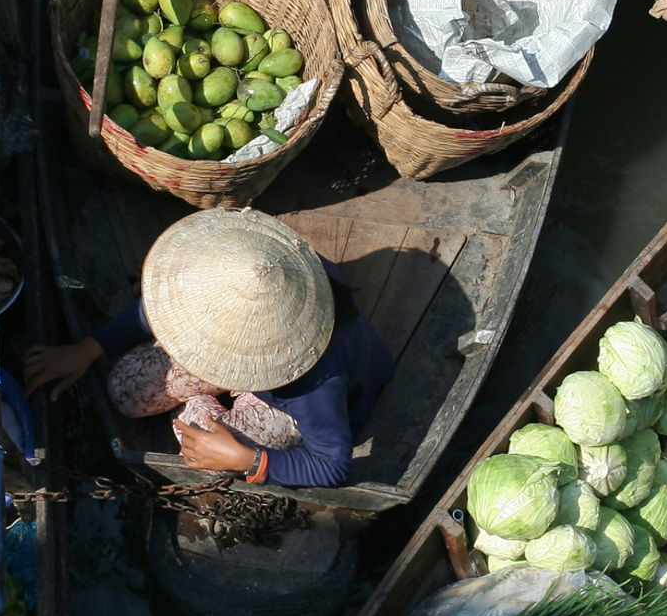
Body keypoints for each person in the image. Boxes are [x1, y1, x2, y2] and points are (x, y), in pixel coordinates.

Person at [21, 208, 393, 488]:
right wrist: (89, 348)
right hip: (259, 356)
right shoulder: (257, 264)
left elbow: (332, 464)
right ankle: (211, 399)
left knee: (205, 451)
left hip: (290, 396)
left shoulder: (313, 382)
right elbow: (166, 307)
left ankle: (216, 411)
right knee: (126, 390)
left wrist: (250, 460)